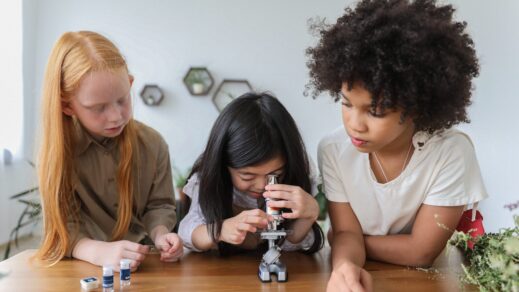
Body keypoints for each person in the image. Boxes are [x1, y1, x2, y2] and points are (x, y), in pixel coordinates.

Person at [306, 0, 488, 291]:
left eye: (375, 112)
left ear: (415, 107)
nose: (355, 124)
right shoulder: (334, 150)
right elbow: (344, 234)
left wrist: (348, 241)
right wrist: (345, 268)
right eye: (346, 103)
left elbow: (422, 253)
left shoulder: (450, 152)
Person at [34, 31, 183, 270]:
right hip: (78, 267)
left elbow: (159, 206)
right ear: (66, 105)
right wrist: (96, 252)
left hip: (143, 263)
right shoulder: (59, 155)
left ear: (130, 84)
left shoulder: (153, 144)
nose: (116, 116)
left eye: (123, 100)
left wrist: (160, 234)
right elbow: (63, 228)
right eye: (98, 108)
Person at [178, 92, 324, 255]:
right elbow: (186, 234)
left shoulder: (297, 177)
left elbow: (289, 245)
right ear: (223, 166)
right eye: (247, 176)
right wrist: (219, 230)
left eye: (275, 174)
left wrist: (309, 216)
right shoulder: (207, 181)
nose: (262, 186)